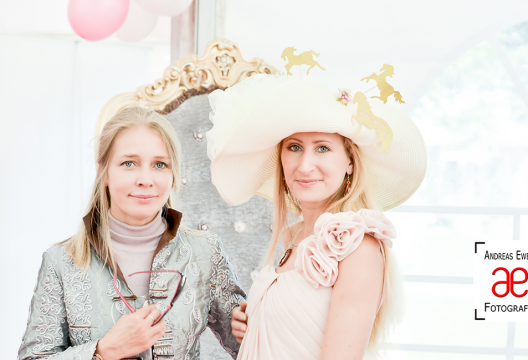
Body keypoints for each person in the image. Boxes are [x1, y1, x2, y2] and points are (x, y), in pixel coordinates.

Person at [206, 74, 427, 359]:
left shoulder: (357, 245)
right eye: (294, 147)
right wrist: (254, 323)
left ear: (349, 161)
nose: (305, 166)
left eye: (322, 148)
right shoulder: (294, 237)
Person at [18, 107, 246, 360]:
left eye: (160, 164)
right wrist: (101, 352)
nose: (145, 179)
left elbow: (252, 346)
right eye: (129, 163)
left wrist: (255, 323)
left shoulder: (206, 252)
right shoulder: (60, 262)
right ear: (103, 170)